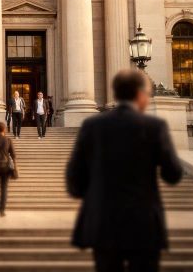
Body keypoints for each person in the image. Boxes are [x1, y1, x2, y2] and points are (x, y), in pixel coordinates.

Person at [66, 69, 182, 272]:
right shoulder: (154, 126)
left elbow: (74, 181)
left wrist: (94, 194)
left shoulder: (92, 126)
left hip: (103, 223)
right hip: (144, 225)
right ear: (139, 94)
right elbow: (173, 174)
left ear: (116, 94)